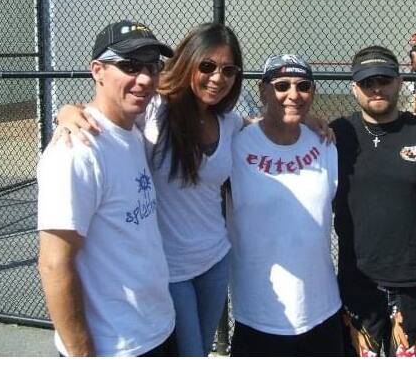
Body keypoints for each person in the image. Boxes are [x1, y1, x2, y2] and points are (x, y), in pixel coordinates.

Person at [53, 25, 333, 356]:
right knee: (192, 354)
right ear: (189, 64)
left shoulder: (229, 122)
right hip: (171, 270)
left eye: (229, 70)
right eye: (208, 67)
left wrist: (308, 119)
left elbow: (267, 121)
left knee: (199, 347)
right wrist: (68, 112)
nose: (218, 77)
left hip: (215, 260)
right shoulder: (155, 110)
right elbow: (108, 112)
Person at [37, 20, 176, 356]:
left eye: (151, 66)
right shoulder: (77, 151)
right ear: (97, 71)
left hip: (156, 330)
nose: (144, 78)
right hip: (116, 347)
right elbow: (54, 264)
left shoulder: (132, 131)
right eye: (129, 66)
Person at [330, 45, 416, 357]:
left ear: (400, 81)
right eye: (367, 82)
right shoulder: (337, 135)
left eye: (384, 79)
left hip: (412, 284)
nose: (376, 87)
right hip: (356, 282)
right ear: (354, 88)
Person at [226, 54, 343, 357]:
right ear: (263, 90)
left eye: (303, 86)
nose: (294, 94)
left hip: (322, 310)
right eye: (282, 85)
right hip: (259, 314)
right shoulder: (234, 145)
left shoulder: (325, 143)